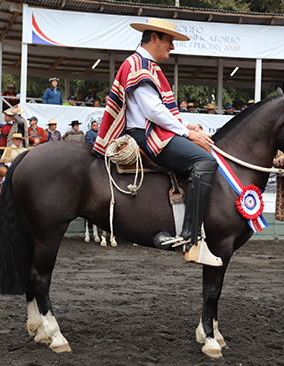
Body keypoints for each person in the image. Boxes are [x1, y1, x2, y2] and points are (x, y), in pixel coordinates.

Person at [92, 18, 220, 265]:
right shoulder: (139, 65)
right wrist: (188, 133)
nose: (172, 47)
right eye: (169, 41)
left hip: (151, 131)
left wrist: (186, 126)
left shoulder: (142, 64)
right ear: (154, 38)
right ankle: (191, 240)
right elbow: (152, 111)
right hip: (146, 135)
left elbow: (157, 110)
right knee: (204, 160)